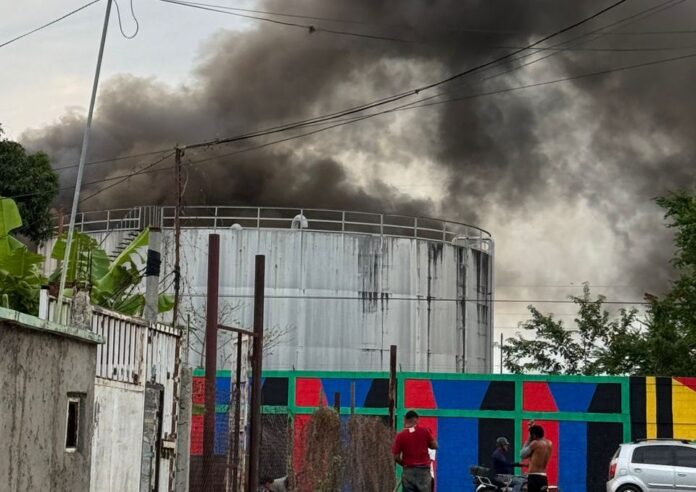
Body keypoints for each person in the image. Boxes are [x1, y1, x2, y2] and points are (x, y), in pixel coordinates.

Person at [392, 410, 438, 492]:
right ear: (416, 420)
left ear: (405, 420)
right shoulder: (424, 431)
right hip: (423, 472)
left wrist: (404, 464)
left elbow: (396, 457)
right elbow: (435, 446)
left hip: (408, 471)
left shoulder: (400, 436)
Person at [520, 422, 553, 492]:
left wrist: (529, 438)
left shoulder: (535, 444)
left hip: (534, 477)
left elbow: (522, 454)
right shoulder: (549, 444)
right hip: (544, 477)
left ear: (534, 435)